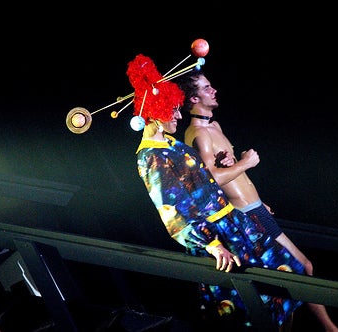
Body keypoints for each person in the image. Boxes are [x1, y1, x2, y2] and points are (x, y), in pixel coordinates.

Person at [126, 54, 311, 331]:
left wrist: (225, 165)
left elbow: (204, 180)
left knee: (288, 278)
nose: (178, 115)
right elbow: (173, 209)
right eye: (172, 110)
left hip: (234, 223)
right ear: (154, 111)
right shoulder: (151, 156)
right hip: (217, 235)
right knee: (248, 306)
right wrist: (210, 243)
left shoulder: (172, 145)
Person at [176, 69, 338, 332]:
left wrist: (240, 171)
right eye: (207, 88)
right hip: (245, 215)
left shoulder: (214, 127)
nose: (214, 90)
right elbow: (211, 180)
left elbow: (224, 172)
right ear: (193, 99)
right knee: (300, 269)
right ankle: (330, 329)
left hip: (254, 208)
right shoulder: (198, 134)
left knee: (293, 274)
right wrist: (246, 162)